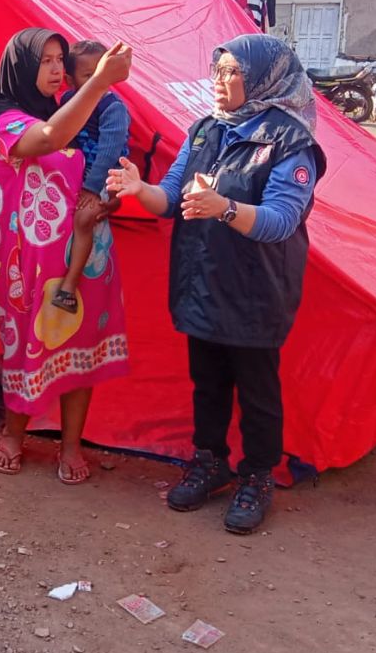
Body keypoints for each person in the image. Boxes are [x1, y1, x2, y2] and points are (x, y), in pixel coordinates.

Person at [108, 33, 327, 534]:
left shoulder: (292, 142)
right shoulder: (206, 130)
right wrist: (140, 189)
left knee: (257, 391)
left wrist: (224, 209)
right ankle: (210, 462)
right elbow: (170, 198)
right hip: (202, 279)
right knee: (207, 383)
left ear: (264, 79)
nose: (221, 82)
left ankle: (257, 477)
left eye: (233, 73)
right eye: (219, 71)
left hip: (256, 289)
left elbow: (280, 221)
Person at [0, 29, 134, 484]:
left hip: (86, 255)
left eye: (57, 60)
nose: (54, 69)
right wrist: (101, 81)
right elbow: (49, 139)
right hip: (25, 262)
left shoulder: (78, 111)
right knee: (24, 345)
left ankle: (71, 445)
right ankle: (14, 435)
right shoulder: (5, 119)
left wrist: (114, 194)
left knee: (82, 347)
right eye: (45, 61)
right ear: (21, 66)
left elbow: (107, 160)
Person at [53, 39, 132, 313]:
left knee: (85, 219)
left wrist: (92, 187)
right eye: (89, 76)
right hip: (76, 174)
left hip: (103, 175)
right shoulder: (66, 101)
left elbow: (110, 151)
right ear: (70, 80)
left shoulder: (112, 106)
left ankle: (68, 288)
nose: (99, 81)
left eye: (102, 73)